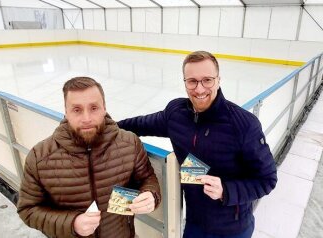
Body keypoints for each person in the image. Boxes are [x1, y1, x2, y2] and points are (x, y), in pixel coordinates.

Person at [118, 51, 277, 238]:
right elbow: (140, 124)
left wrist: (226, 190)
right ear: (184, 82)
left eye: (207, 80)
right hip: (194, 225)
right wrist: (106, 127)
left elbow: (266, 180)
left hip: (233, 230)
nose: (200, 89)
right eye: (192, 81)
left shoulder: (243, 125)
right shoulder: (176, 114)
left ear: (218, 80)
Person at [17, 77, 161, 238]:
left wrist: (151, 195)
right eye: (77, 109)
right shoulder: (40, 157)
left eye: (94, 108)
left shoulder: (129, 143)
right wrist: (72, 223)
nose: (86, 118)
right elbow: (27, 210)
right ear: (66, 112)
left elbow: (147, 178)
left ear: (104, 108)